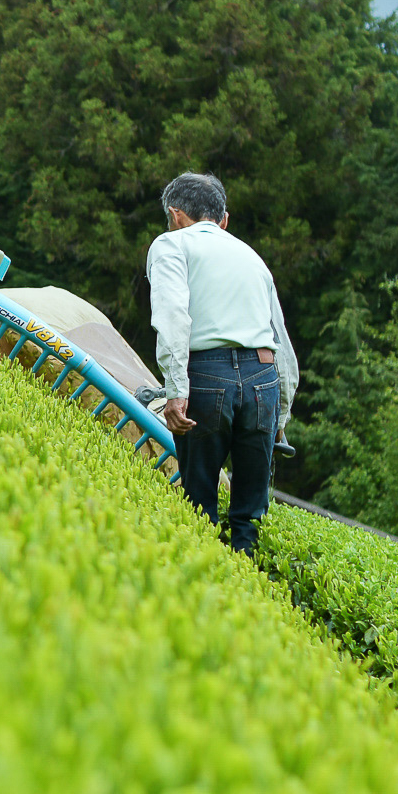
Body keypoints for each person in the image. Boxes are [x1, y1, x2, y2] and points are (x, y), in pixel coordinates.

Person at [145, 172, 299, 554]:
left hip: (207, 375)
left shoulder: (170, 244)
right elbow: (281, 343)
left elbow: (172, 317)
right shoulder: (253, 258)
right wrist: (280, 416)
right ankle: (246, 577)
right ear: (224, 220)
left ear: (175, 214)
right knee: (250, 515)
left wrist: (177, 391)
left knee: (199, 508)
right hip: (263, 378)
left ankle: (203, 580)